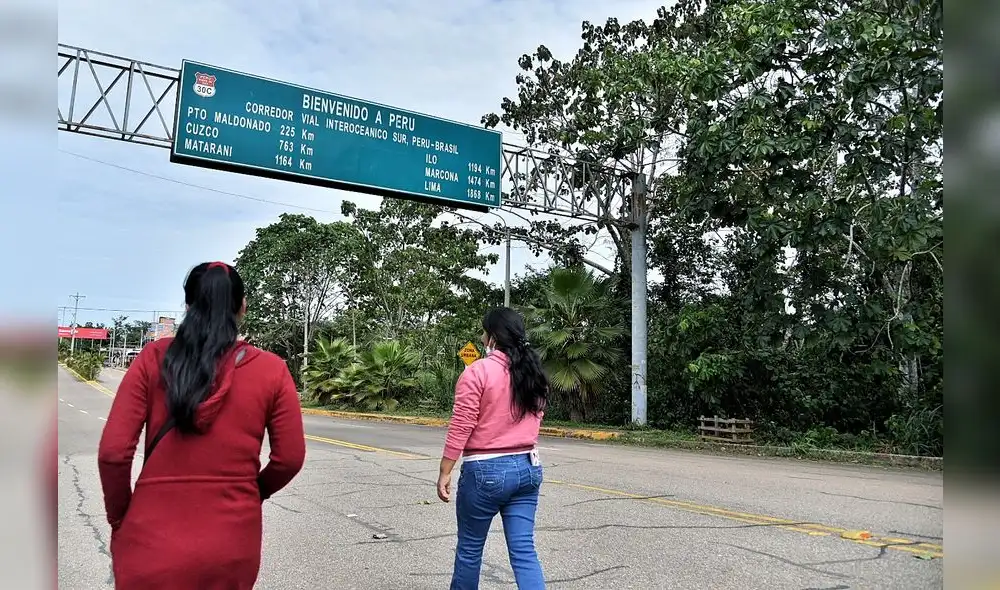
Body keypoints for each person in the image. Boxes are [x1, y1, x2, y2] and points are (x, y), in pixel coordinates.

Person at [97, 261, 306, 589]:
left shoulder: (153, 358)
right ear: (242, 306)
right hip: (232, 544)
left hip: (150, 541)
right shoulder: (271, 370)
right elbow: (290, 458)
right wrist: (251, 493)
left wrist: (120, 517)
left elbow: (112, 453)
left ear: (188, 305)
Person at [437, 307, 549, 590]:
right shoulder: (533, 373)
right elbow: (536, 418)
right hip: (528, 467)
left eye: (484, 332)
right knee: (524, 551)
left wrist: (445, 470)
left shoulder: (478, 372)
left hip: (486, 471)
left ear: (491, 338)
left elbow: (462, 425)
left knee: (470, 551)